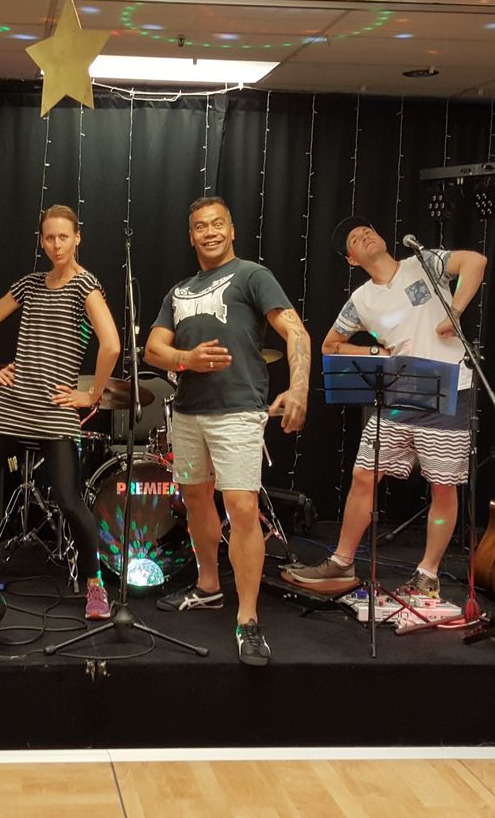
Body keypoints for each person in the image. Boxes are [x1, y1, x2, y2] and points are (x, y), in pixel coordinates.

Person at [143, 196, 311, 667]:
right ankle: (208, 586)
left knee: (241, 506)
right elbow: (153, 348)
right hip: (188, 412)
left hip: (238, 409)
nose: (210, 232)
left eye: (218, 224)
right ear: (191, 236)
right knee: (196, 500)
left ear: (232, 230)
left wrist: (299, 389)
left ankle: (248, 618)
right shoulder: (179, 291)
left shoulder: (252, 275)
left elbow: (296, 332)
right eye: (201, 226)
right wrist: (186, 359)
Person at [285, 222, 486, 601]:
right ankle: (342, 562)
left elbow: (475, 261)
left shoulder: (424, 262)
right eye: (354, 239)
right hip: (396, 394)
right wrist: (377, 352)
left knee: (443, 486)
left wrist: (455, 312)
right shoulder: (361, 300)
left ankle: (427, 574)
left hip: (449, 388)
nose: (364, 235)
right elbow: (330, 345)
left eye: (367, 230)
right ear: (352, 259)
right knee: (364, 474)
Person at [0, 205, 121, 620]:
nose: (56, 245)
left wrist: (91, 395)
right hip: (11, 403)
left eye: (64, 237)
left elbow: (111, 344)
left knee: (68, 499)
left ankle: (94, 585)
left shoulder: (86, 286)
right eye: (49, 237)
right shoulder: (29, 284)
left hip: (54, 407)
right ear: (41, 240)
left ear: (77, 238)